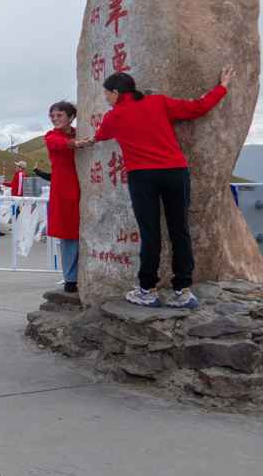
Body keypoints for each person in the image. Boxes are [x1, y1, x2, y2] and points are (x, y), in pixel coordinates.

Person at [90, 68, 233, 309]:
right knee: (180, 230)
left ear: (116, 92)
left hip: (143, 176)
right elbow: (197, 108)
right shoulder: (158, 102)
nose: (106, 98)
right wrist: (222, 87)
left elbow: (101, 135)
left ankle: (147, 290)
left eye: (107, 94)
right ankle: (183, 290)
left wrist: (89, 139)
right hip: (175, 172)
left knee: (150, 233)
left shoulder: (114, 116)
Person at [44, 104, 83, 293]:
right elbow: (58, 144)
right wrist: (76, 143)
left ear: (71, 116)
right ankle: (70, 278)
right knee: (69, 234)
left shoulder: (80, 132)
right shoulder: (52, 136)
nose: (55, 118)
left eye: (59, 115)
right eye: (52, 115)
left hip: (84, 185)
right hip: (64, 189)